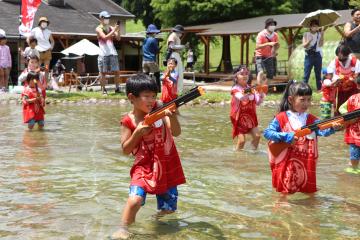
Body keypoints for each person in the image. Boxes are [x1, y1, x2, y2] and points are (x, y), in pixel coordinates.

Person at [111, 73, 185, 239]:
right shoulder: (128, 121)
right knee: (134, 200)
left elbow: (176, 133)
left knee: (168, 209)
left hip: (165, 165)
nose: (152, 100)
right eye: (147, 96)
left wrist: (171, 117)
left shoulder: (160, 111)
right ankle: (123, 229)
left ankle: (154, 224)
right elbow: (125, 150)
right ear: (132, 97)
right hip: (143, 167)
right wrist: (137, 133)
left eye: (154, 96)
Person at [263, 81, 339, 195]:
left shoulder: (312, 119)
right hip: (287, 162)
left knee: (309, 195)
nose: (306, 104)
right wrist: (287, 136)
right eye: (302, 100)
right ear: (290, 100)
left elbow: (324, 132)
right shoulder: (281, 117)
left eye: (309, 100)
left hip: (307, 162)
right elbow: (267, 133)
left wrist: (334, 128)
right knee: (285, 194)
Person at [230, 66, 264, 150]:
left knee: (257, 136)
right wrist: (249, 92)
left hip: (250, 117)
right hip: (239, 118)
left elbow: (258, 102)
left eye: (246, 74)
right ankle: (238, 156)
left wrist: (261, 94)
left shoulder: (251, 88)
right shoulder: (235, 89)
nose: (245, 75)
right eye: (242, 74)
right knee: (242, 141)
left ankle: (252, 152)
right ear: (236, 77)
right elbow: (241, 98)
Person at [326, 44, 360, 115]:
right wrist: (334, 81)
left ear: (348, 55)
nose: (342, 61)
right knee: (338, 110)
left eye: (344, 59)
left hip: (353, 91)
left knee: (354, 108)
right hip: (339, 91)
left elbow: (358, 77)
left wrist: (352, 79)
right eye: (340, 59)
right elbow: (329, 77)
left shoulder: (356, 62)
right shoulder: (334, 62)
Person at [96, 10, 121, 95]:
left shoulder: (110, 27)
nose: (107, 19)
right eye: (106, 18)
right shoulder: (98, 28)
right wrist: (114, 30)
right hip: (103, 54)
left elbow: (118, 38)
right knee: (103, 73)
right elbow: (105, 37)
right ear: (101, 18)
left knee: (117, 72)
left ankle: (117, 88)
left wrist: (118, 29)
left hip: (113, 53)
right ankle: (103, 90)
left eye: (108, 18)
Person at [339, 76, 360, 174]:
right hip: (354, 131)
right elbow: (341, 108)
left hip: (354, 131)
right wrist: (348, 115)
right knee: (354, 152)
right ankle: (354, 168)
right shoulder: (353, 98)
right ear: (358, 86)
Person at [255, 18, 280, 85]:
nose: (273, 26)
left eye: (274, 24)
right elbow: (257, 47)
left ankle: (265, 88)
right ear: (267, 25)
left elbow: (276, 45)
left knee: (270, 75)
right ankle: (259, 88)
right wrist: (268, 43)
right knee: (261, 72)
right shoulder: (261, 34)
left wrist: (274, 52)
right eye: (271, 24)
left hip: (269, 57)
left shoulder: (275, 35)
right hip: (260, 56)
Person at [302, 20, 325, 90]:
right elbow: (304, 45)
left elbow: (321, 45)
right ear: (310, 26)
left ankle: (319, 88)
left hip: (317, 55)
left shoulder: (319, 34)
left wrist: (322, 35)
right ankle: (303, 89)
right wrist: (309, 41)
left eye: (316, 26)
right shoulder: (306, 34)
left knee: (318, 73)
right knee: (306, 73)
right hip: (309, 55)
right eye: (313, 26)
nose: (314, 27)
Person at [167, 24, 185, 94]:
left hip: (176, 54)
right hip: (173, 55)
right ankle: (173, 91)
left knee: (179, 73)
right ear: (178, 31)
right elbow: (171, 46)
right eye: (181, 32)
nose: (181, 34)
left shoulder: (176, 36)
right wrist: (182, 46)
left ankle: (178, 91)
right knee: (175, 74)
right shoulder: (173, 35)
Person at [142, 24, 161, 92]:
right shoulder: (153, 40)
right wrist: (158, 50)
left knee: (145, 76)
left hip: (144, 61)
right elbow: (156, 50)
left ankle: (144, 89)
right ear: (153, 32)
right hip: (151, 60)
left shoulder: (145, 40)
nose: (156, 33)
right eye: (155, 32)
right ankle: (158, 90)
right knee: (157, 75)